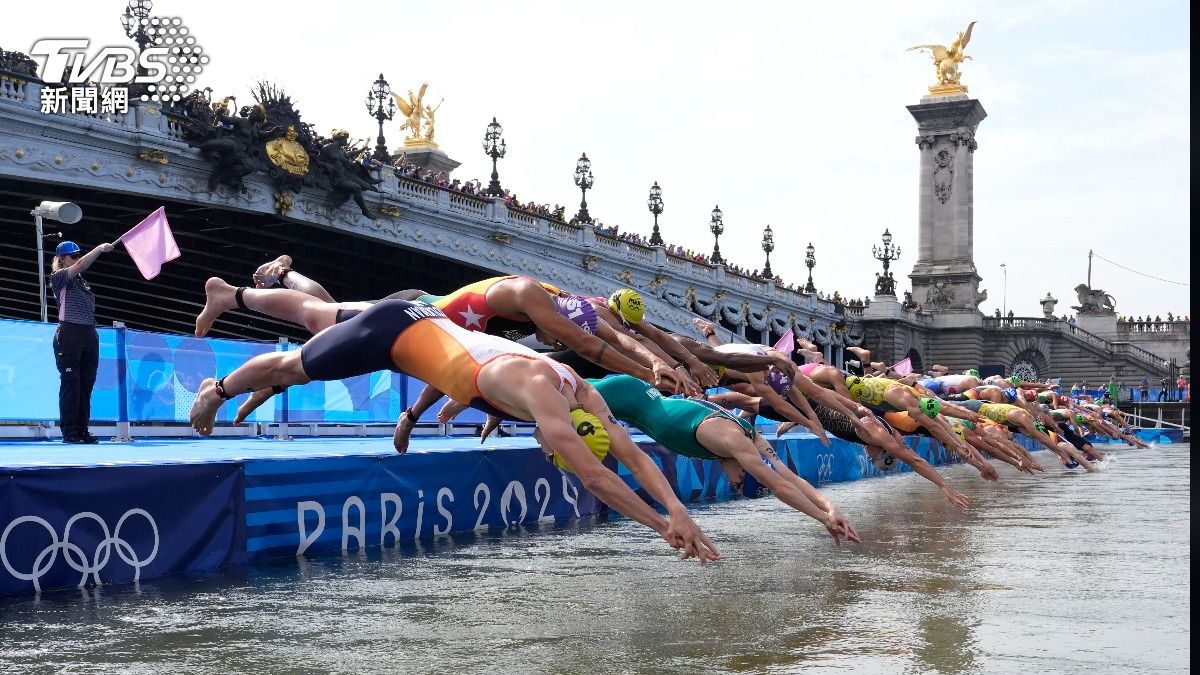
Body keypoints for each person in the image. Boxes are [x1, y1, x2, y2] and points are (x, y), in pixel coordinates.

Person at [188, 298, 719, 564]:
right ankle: (216, 392)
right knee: (291, 366)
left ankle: (232, 294)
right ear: (558, 433)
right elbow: (598, 479)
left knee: (319, 310)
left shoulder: (579, 388)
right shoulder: (541, 393)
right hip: (393, 333)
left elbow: (632, 455)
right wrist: (662, 527)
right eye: (555, 449)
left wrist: (676, 509)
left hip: (424, 316)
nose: (547, 450)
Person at [50, 240, 116, 444]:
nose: (77, 259)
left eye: (79, 255)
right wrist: (98, 248)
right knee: (71, 383)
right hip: (69, 332)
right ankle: (69, 431)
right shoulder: (59, 277)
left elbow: (80, 268)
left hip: (89, 333)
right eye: (74, 255)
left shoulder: (83, 283)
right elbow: (80, 266)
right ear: (62, 259)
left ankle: (82, 429)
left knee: (86, 385)